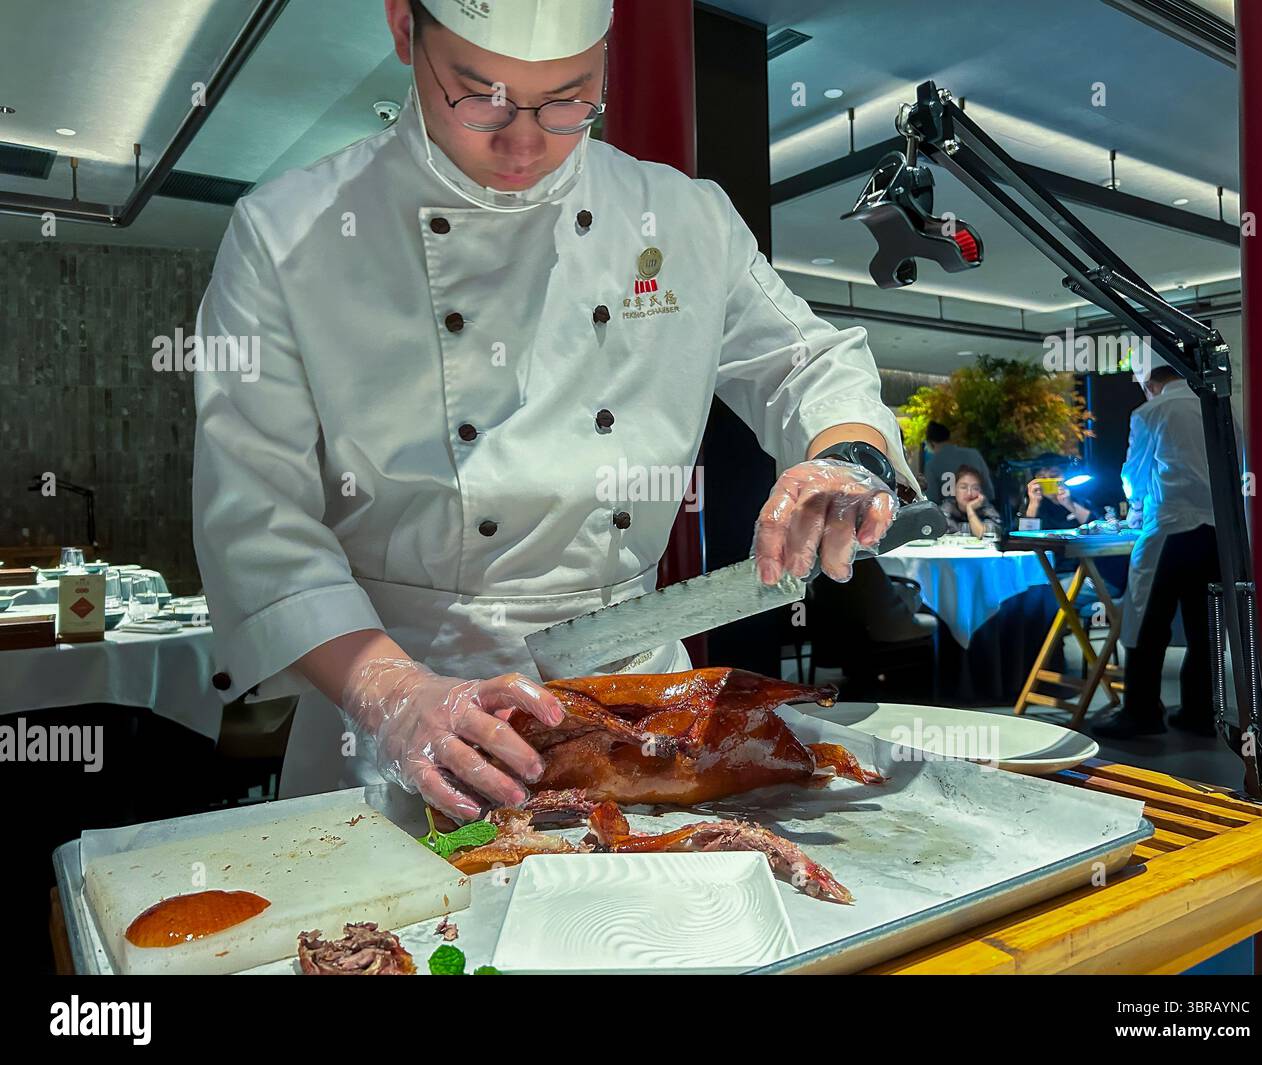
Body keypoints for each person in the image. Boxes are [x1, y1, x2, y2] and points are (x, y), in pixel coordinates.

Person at [191, 0, 918, 822]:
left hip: (647, 717)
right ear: (403, 29)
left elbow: (807, 362)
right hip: (402, 722)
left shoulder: (682, 217)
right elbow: (254, 518)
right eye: (481, 97)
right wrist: (394, 696)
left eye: (569, 99)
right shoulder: (288, 234)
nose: (526, 140)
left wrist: (846, 454)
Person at [1092, 355, 1222, 739]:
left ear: (1149, 381)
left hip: (1171, 527)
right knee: (1205, 628)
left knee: (1146, 620)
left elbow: (1134, 474)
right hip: (1217, 533)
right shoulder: (1217, 405)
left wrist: (1135, 509)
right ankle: (1201, 711)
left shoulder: (1152, 411)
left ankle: (1141, 712)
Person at [922, 421, 993, 505]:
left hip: (949, 515)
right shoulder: (974, 454)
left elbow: (932, 500)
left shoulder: (932, 465)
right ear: (949, 438)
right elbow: (990, 492)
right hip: (980, 513)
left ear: (931, 443)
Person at [1023, 465, 1091, 530]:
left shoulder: (1079, 497)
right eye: (1042, 478)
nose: (1049, 480)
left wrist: (1069, 504)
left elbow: (1095, 527)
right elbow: (1024, 536)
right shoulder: (1032, 504)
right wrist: (1033, 504)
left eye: (1054, 476)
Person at [940, 465, 1001, 538]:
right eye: (963, 487)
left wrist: (970, 509)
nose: (969, 493)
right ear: (954, 490)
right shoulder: (947, 509)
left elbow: (984, 536)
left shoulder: (987, 511)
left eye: (975, 488)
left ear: (980, 492)